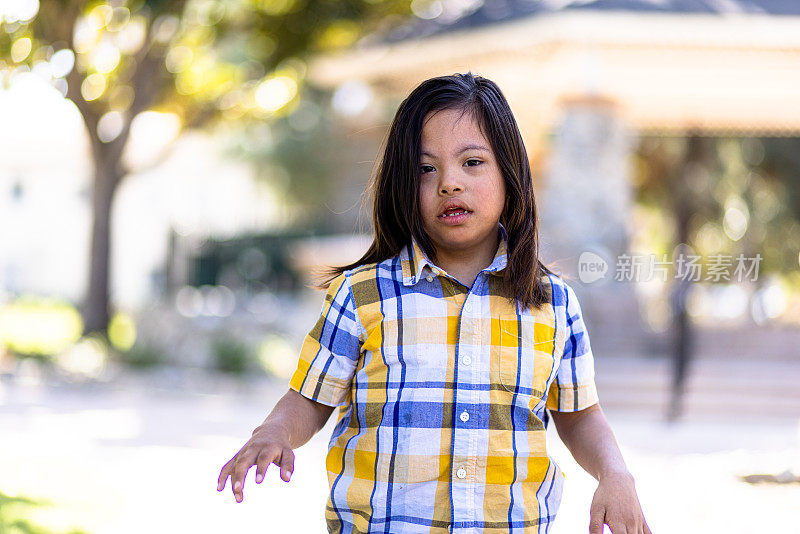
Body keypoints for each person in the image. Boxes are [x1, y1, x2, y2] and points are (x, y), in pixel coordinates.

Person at [217, 72, 652, 534]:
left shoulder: (553, 303)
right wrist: (274, 431)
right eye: (426, 169)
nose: (449, 183)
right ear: (405, 182)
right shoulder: (363, 296)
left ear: (510, 173)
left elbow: (581, 415)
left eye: (472, 162)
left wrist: (614, 474)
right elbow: (308, 399)